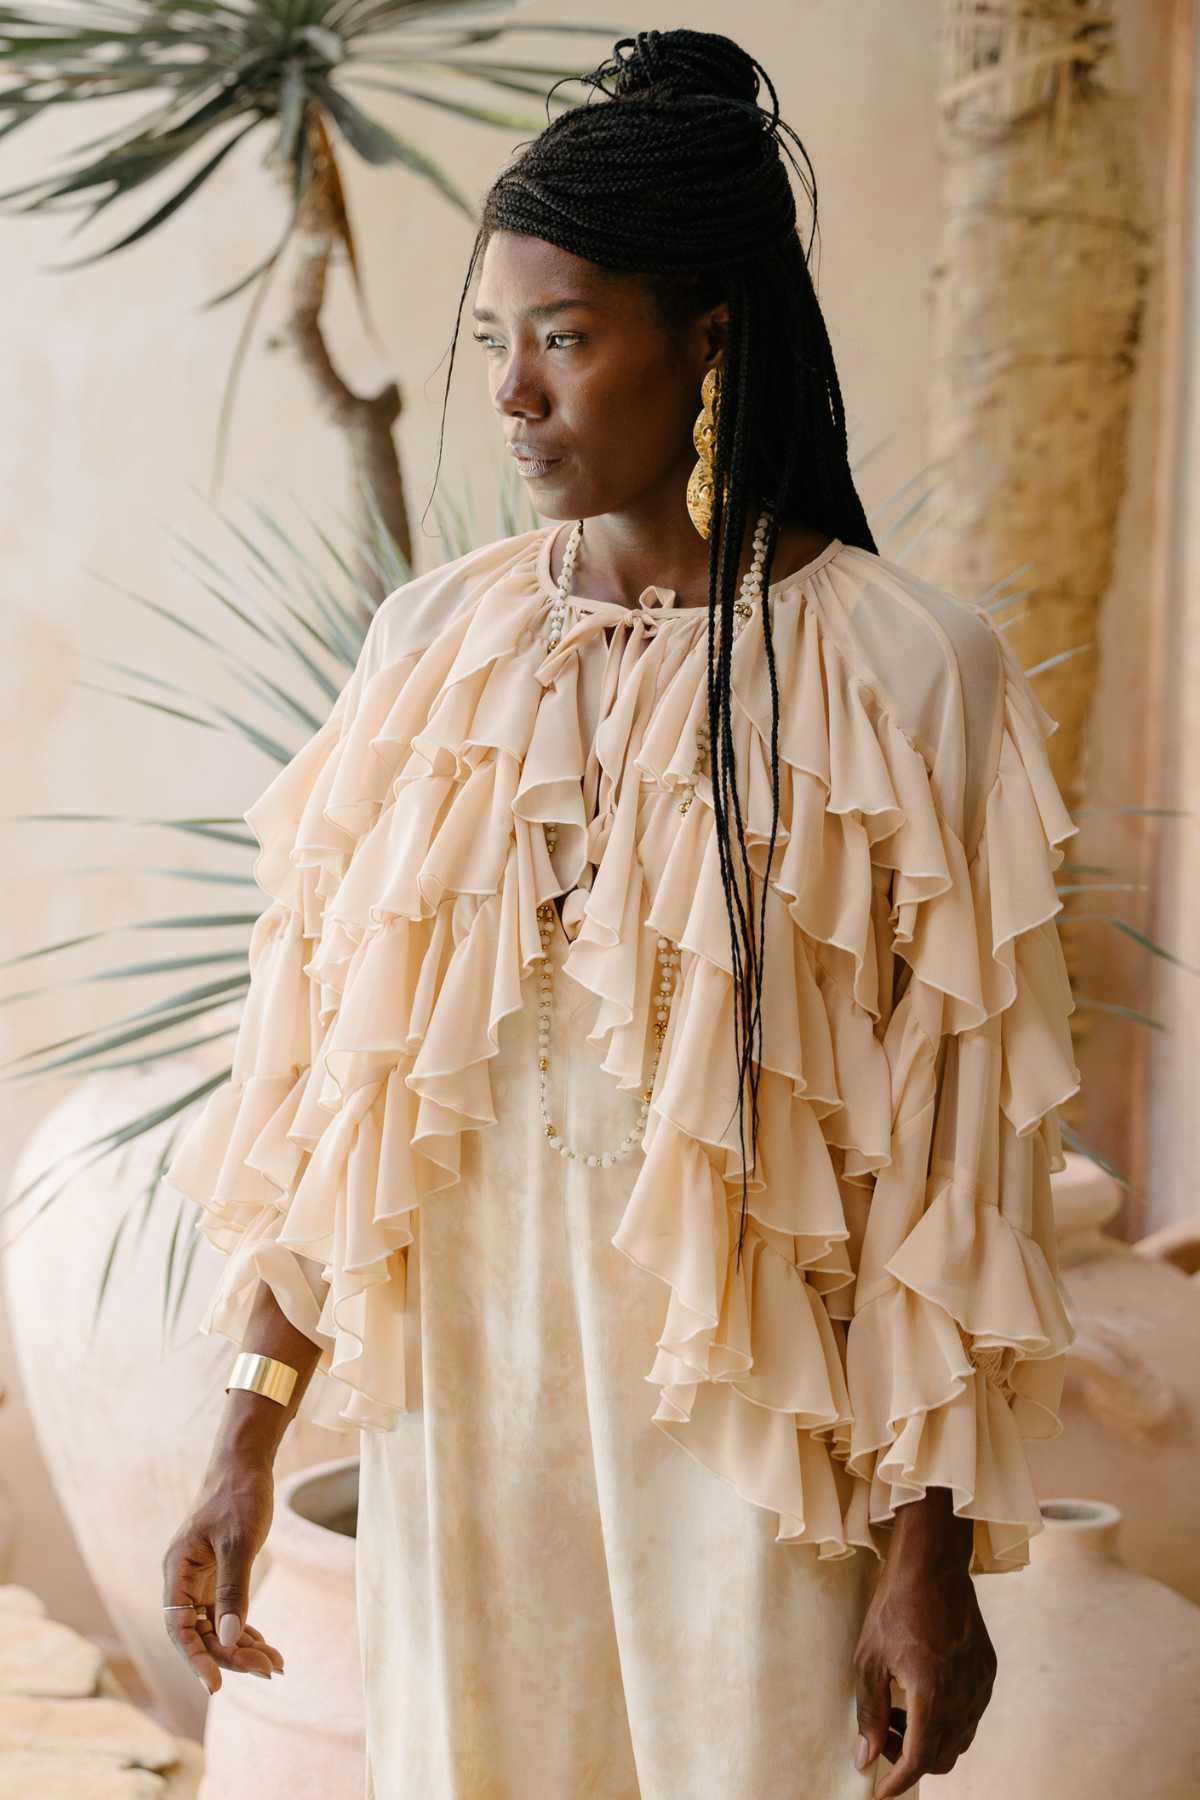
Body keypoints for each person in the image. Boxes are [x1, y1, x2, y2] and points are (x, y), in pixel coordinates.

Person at [160, 29, 1081, 1800]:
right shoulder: (432, 650)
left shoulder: (904, 673)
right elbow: (331, 1102)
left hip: (742, 1456)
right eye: (495, 341)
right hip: (469, 1422)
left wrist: (928, 1554)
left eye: (565, 340)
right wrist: (246, 1440)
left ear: (708, 340)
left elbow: (958, 1170)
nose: (511, 393)